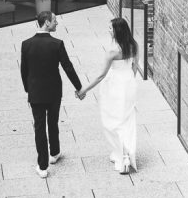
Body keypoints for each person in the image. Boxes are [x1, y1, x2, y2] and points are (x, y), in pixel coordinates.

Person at [20, 10, 83, 178]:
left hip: (36, 93)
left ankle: (42, 166)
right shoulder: (57, 44)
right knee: (53, 122)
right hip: (54, 91)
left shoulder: (26, 44)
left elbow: (24, 71)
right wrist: (79, 87)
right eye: (54, 20)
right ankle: (54, 153)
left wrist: (28, 89)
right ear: (46, 22)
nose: (57, 23)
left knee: (39, 127)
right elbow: (67, 67)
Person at [76, 16, 138, 174]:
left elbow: (101, 75)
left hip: (115, 86)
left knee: (113, 121)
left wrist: (84, 90)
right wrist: (129, 82)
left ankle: (123, 156)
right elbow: (134, 68)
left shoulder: (113, 51)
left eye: (110, 28)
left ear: (117, 31)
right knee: (126, 120)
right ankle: (125, 154)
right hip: (129, 84)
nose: (108, 30)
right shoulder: (134, 45)